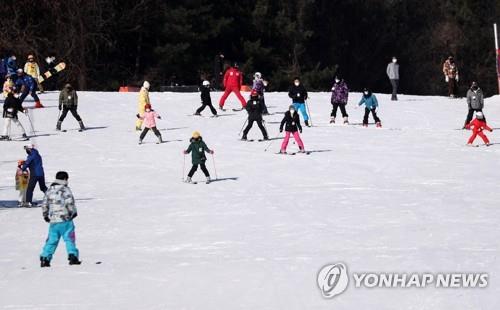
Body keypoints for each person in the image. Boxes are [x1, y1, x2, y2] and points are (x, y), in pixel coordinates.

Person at [39, 171, 81, 267]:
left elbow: (45, 203)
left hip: (54, 221)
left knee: (52, 240)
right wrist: (73, 213)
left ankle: (45, 257)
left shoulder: (49, 190)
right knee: (69, 238)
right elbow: (70, 202)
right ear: (65, 179)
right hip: (66, 220)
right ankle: (72, 255)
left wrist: (45, 215)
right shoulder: (65, 190)